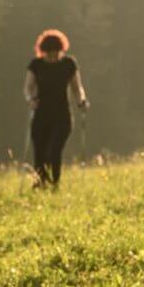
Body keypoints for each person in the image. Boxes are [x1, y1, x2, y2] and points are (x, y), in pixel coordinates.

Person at [23, 29, 88, 189]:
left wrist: (82, 101)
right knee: (39, 153)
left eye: (55, 53)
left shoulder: (69, 64)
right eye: (48, 53)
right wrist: (30, 99)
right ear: (43, 52)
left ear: (61, 51)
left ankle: (55, 184)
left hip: (62, 116)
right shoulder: (36, 65)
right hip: (41, 115)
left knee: (54, 151)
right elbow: (28, 87)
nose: (52, 56)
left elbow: (77, 87)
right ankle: (40, 183)